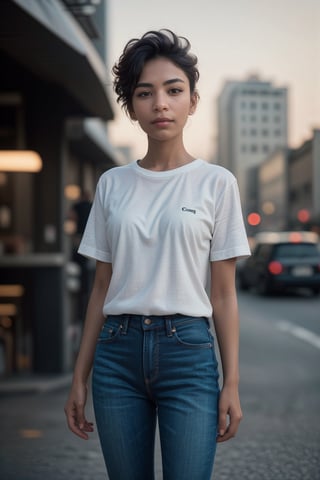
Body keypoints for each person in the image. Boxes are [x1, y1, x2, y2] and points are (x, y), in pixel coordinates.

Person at [64, 29, 251, 480]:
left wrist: (233, 383)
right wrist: (79, 377)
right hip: (117, 355)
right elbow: (100, 289)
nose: (160, 104)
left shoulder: (217, 183)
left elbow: (224, 296)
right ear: (132, 106)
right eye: (145, 93)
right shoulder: (112, 184)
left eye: (173, 90)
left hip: (188, 354)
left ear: (192, 100)